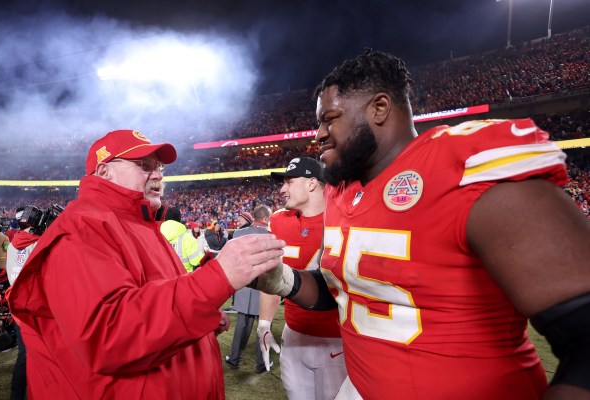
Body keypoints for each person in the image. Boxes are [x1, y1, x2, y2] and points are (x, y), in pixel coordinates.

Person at [256, 50, 590, 399]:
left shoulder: (465, 168)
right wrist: (284, 280)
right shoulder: (342, 191)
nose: (319, 135)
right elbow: (350, 292)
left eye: (330, 119)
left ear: (380, 108)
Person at [7, 129, 286, 399]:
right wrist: (215, 279)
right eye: (143, 165)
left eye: (160, 167)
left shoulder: (140, 223)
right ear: (104, 171)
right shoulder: (82, 228)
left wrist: (200, 318)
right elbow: (109, 335)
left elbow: (150, 301)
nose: (157, 175)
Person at [258, 157, 347, 399]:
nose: (282, 189)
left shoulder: (343, 218)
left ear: (311, 183)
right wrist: (264, 324)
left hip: (335, 340)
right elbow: (273, 278)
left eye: (289, 181)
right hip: (293, 334)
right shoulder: (278, 220)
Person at [225, 205, 272, 374]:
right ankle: (262, 363)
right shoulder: (271, 236)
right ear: (266, 219)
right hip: (264, 288)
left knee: (242, 324)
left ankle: (234, 358)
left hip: (244, 285)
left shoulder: (237, 234)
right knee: (264, 326)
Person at [5, 206, 42, 400]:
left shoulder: (13, 244)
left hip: (18, 305)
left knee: (24, 354)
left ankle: (16, 396)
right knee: (36, 355)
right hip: (35, 307)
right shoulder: (38, 242)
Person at [160, 206, 204, 272]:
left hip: (164, 278)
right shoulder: (187, 238)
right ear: (179, 219)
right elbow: (197, 261)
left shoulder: (156, 236)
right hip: (184, 278)